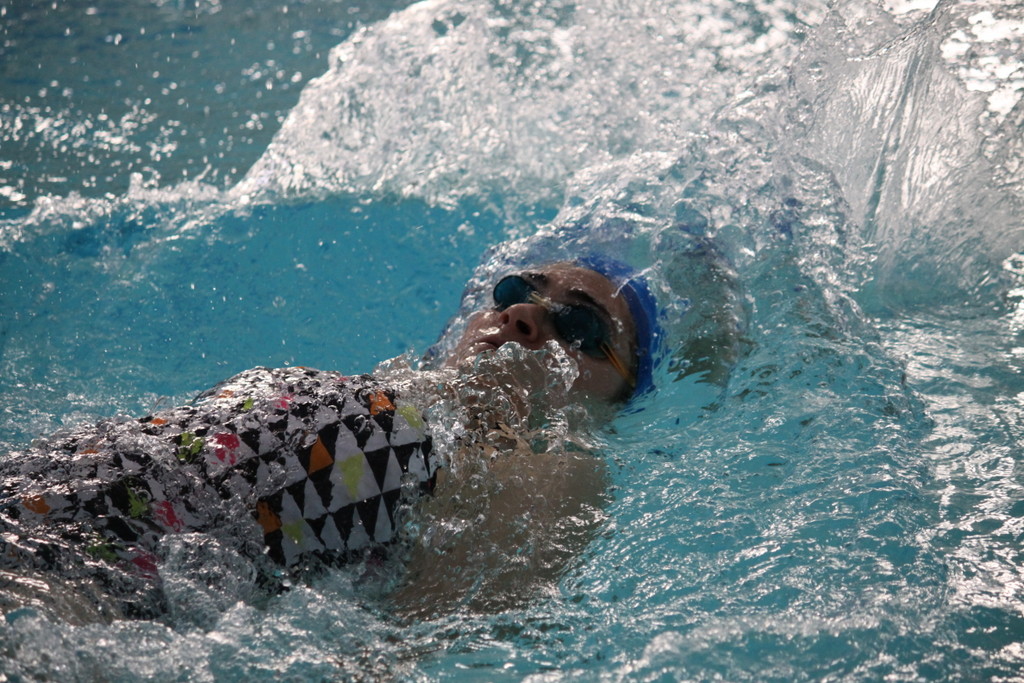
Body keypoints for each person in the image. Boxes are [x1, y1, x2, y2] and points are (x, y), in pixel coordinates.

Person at [0, 259, 661, 622]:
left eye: (579, 327)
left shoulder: (551, 472)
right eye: (516, 291)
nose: (522, 316)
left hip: (82, 591)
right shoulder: (394, 387)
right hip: (32, 491)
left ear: (619, 396)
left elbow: (397, 651)